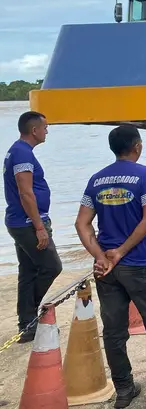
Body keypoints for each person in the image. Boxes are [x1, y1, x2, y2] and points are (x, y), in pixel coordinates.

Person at [75, 125, 146, 407]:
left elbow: (81, 223)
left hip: (107, 270)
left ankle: (125, 390)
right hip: (139, 263)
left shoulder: (96, 179)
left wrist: (102, 256)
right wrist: (121, 252)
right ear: (137, 146)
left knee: (114, 331)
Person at [4, 111, 62, 343]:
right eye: (45, 127)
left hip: (20, 221)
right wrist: (39, 226)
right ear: (34, 130)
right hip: (27, 223)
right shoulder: (22, 154)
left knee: (28, 272)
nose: (47, 131)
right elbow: (25, 192)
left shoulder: (18, 151)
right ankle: (30, 317)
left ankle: (26, 325)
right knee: (51, 266)